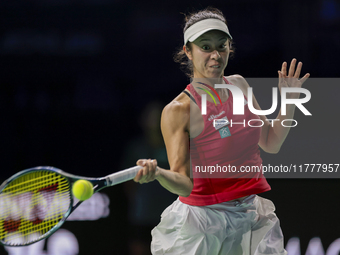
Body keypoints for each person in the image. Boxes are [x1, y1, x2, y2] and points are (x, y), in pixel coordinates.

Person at [133, 7, 310, 255]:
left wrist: (289, 101)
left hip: (251, 217)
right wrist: (159, 173)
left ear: (230, 47)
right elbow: (184, 183)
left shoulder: (239, 84)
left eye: (222, 46)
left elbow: (271, 142)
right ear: (188, 51)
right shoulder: (178, 110)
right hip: (205, 225)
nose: (215, 55)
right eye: (205, 47)